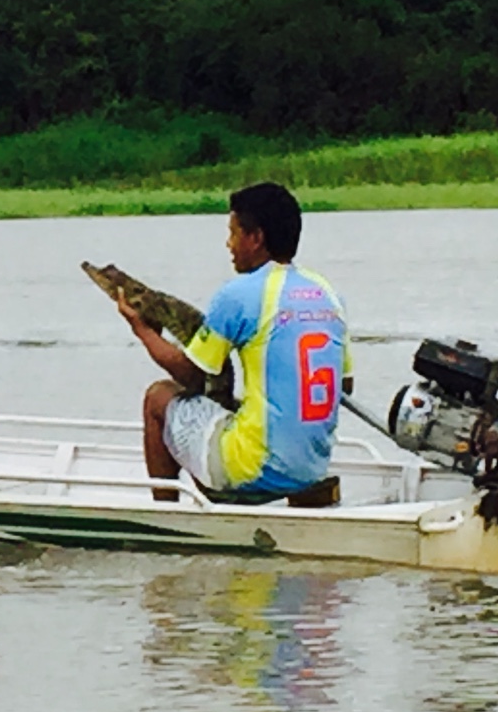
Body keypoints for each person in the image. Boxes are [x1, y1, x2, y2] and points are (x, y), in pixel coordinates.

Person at [117, 182, 351, 502]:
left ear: (255, 239)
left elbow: (192, 376)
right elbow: (344, 386)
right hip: (311, 468)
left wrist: (142, 330)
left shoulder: (238, 294)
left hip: (254, 468)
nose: (229, 244)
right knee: (238, 406)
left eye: (233, 233)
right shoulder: (328, 293)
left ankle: (167, 517)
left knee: (159, 397)